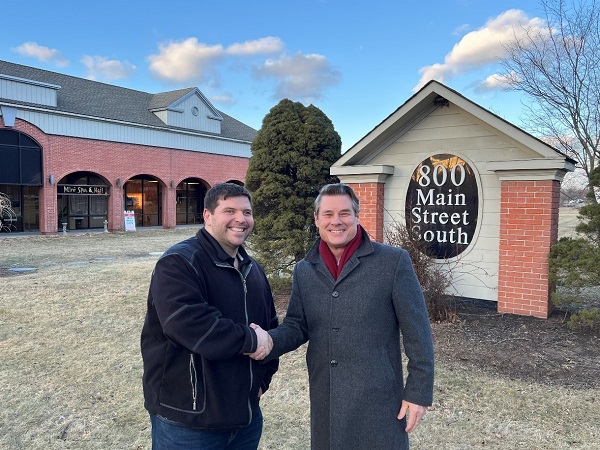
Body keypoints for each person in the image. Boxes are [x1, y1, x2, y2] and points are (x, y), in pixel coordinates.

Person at [252, 183, 434, 449]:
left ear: (357, 216)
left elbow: (418, 332)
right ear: (316, 220)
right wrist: (267, 340)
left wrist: (418, 392)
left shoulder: (393, 262)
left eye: (344, 213)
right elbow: (297, 325)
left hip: (378, 399)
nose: (336, 221)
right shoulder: (305, 269)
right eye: (327, 214)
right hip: (326, 396)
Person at [141, 182, 278, 449]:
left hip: (246, 420)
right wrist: (250, 340)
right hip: (188, 423)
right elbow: (190, 323)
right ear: (208, 216)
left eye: (247, 212)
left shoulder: (253, 269)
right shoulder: (178, 263)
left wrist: (264, 380)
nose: (241, 219)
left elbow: (270, 327)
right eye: (230, 211)